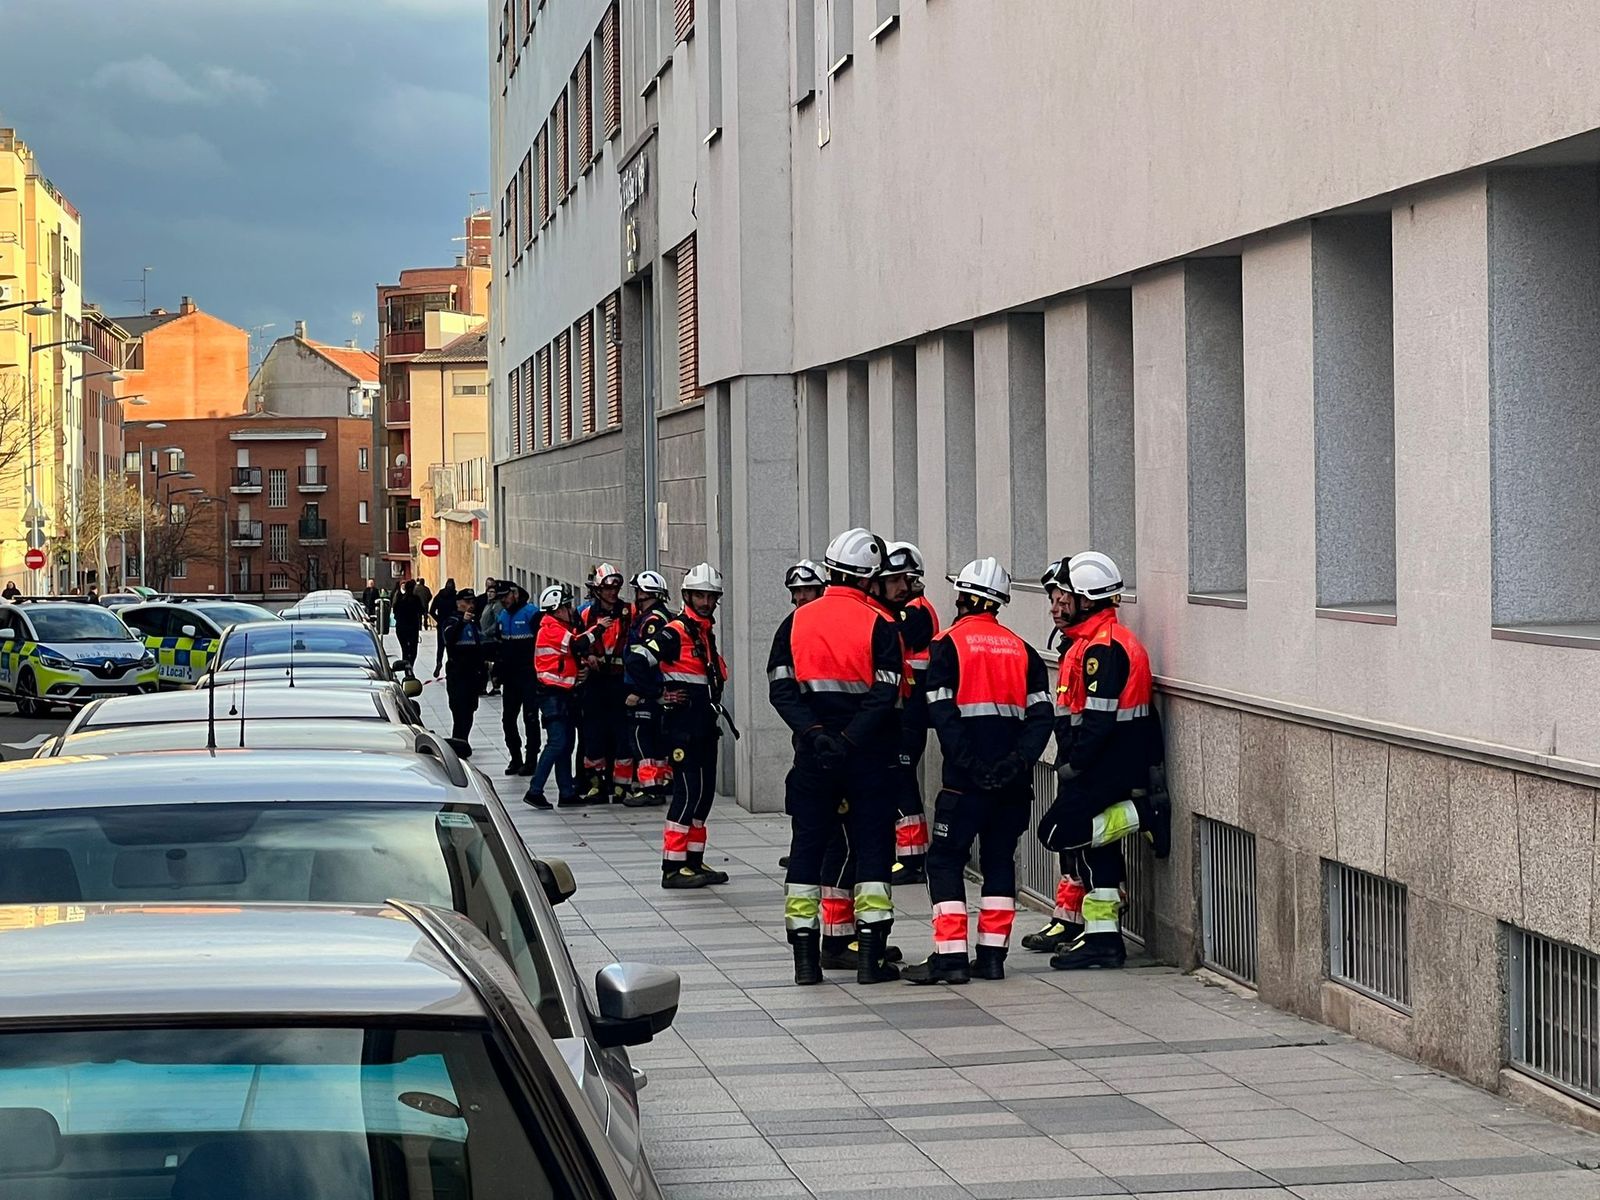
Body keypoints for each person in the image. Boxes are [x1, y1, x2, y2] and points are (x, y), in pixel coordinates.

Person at [902, 559, 1053, 985]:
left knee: (945, 860)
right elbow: (1042, 719)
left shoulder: (947, 644)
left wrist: (970, 764)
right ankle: (991, 957)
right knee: (999, 861)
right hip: (1012, 784)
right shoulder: (1022, 650)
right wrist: (1016, 764)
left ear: (967, 597)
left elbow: (942, 713)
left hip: (965, 784)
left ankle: (950, 958)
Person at [769, 528, 905, 986]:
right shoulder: (881, 624)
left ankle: (805, 962)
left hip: (812, 758)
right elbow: (886, 694)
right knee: (872, 855)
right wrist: (848, 740)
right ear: (869, 579)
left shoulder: (796, 621)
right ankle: (870, 960)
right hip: (868, 758)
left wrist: (814, 733)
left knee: (806, 853)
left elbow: (781, 690)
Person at [1029, 551, 1169, 971]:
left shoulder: (1103, 648)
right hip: (1098, 761)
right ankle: (1104, 939)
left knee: (1056, 831)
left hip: (1105, 763)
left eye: (1063, 598)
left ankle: (1144, 813)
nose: (1056, 607)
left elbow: (1100, 717)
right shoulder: (1090, 643)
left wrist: (1077, 763)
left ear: (1086, 599)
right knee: (1095, 849)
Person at [628, 563, 730, 889]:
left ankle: (693, 861)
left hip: (703, 723)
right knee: (687, 794)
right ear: (687, 595)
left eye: (711, 596)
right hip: (683, 725)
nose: (706, 602)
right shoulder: (676, 631)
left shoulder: (702, 631)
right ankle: (672, 867)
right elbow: (637, 659)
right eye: (700, 595)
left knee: (703, 796)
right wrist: (659, 693)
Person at [880, 541, 937, 885]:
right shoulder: (911, 609)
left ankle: (913, 857)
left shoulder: (915, 611)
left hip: (911, 712)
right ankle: (904, 851)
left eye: (903, 579)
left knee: (902, 780)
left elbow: (893, 639)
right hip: (905, 709)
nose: (898, 587)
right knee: (897, 779)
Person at [526, 584, 596, 809]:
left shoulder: (559, 628)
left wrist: (583, 666)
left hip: (563, 694)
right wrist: (599, 629)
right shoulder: (551, 628)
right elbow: (578, 645)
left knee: (566, 744)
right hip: (552, 695)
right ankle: (535, 790)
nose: (571, 610)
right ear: (556, 609)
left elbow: (570, 656)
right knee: (557, 743)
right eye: (566, 606)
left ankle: (566, 793)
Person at [575, 564, 632, 801]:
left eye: (616, 588)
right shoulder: (587, 614)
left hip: (620, 681)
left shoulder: (629, 612)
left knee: (622, 735)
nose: (612, 593)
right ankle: (596, 785)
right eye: (607, 588)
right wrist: (587, 657)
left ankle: (621, 787)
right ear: (598, 590)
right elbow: (577, 644)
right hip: (596, 682)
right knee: (593, 735)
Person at [620, 570, 674, 808]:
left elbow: (644, 661)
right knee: (654, 739)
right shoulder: (653, 617)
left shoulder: (653, 621)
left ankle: (651, 788)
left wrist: (643, 692)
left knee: (642, 739)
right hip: (651, 690)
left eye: (639, 591)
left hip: (645, 691)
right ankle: (659, 784)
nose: (636, 595)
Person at [496, 583, 540, 775]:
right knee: (508, 719)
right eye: (500, 598)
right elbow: (500, 647)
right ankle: (515, 758)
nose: (503, 601)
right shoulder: (503, 616)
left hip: (530, 675)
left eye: (505, 596)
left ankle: (531, 760)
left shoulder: (532, 613)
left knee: (530, 718)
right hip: (510, 678)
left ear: (514, 594)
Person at [440, 588, 486, 754]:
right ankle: (458, 742)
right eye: (467, 602)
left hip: (473, 674)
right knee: (459, 711)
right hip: (458, 673)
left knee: (470, 710)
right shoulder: (451, 621)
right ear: (459, 603)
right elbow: (449, 640)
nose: (471, 605)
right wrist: (462, 623)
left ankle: (463, 740)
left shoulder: (474, 622)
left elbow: (479, 647)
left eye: (472, 602)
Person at [479, 581, 507, 695]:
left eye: (492, 592)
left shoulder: (497, 605)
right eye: (488, 591)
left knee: (488, 663)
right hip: (484, 639)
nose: (490, 594)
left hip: (491, 640)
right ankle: (484, 687)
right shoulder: (488, 604)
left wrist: (487, 632)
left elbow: (497, 621)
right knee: (484, 664)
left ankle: (494, 686)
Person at [392, 579, 424, 673]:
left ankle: (406, 667)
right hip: (412, 627)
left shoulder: (399, 598)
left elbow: (395, 612)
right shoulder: (415, 599)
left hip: (401, 628)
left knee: (405, 649)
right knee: (413, 650)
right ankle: (410, 666)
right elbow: (421, 610)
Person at [430, 578, 458, 676]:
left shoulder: (439, 596)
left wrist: (438, 619)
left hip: (441, 624)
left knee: (440, 646)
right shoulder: (455, 597)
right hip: (453, 625)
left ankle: (438, 662)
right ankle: (451, 665)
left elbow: (431, 610)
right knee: (452, 646)